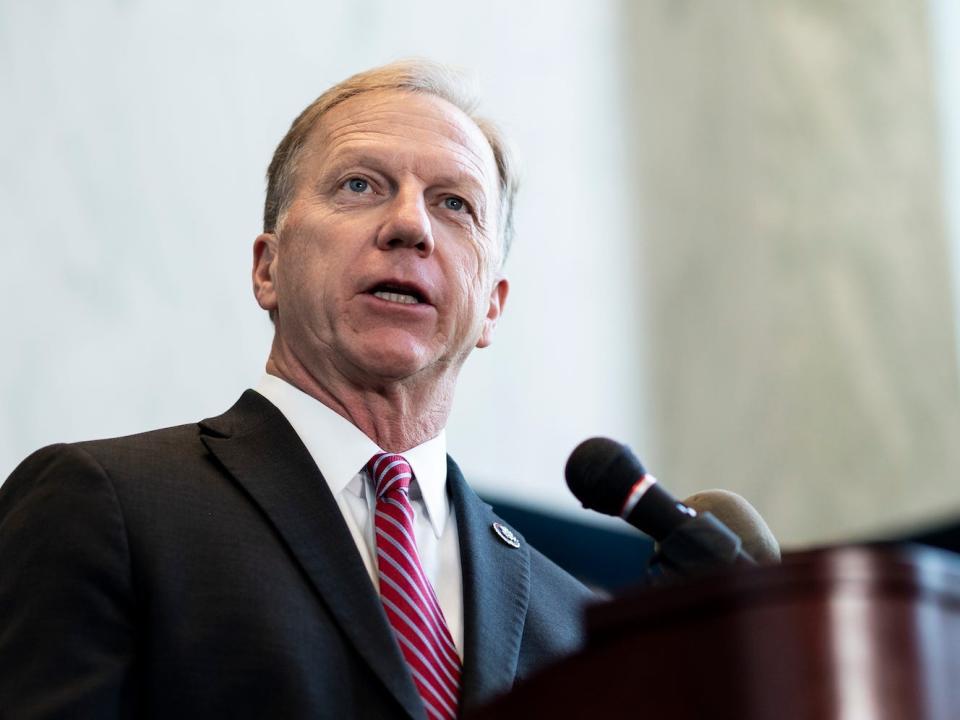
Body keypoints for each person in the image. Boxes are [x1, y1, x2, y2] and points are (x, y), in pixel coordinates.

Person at [0, 60, 592, 719]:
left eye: (454, 203)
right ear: (268, 268)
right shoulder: (105, 506)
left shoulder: (577, 623)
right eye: (361, 184)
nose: (410, 226)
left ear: (492, 308)